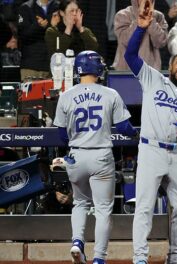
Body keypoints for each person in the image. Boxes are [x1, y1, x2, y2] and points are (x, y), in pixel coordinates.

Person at [124, 1, 177, 263]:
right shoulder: (153, 78)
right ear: (171, 66)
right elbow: (130, 57)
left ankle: (176, 255)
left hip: (175, 154)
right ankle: (140, 257)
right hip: (150, 149)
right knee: (145, 207)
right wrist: (140, 28)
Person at [53, 50, 138, 264]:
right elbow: (124, 127)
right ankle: (99, 258)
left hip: (76, 156)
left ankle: (77, 242)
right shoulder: (110, 93)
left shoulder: (66, 95)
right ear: (98, 69)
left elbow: (62, 134)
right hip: (100, 156)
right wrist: (136, 134)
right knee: (102, 210)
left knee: (80, 203)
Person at [113, 0, 168, 71]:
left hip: (151, 71)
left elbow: (160, 43)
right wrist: (140, 17)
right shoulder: (123, 15)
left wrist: (151, 19)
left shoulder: (159, 16)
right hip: (126, 70)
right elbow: (125, 41)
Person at [17, 0, 59, 81]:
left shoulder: (58, 6)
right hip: (31, 67)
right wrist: (39, 26)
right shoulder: (26, 7)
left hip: (54, 67)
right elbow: (23, 35)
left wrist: (46, 25)